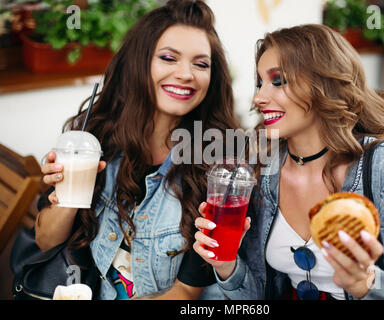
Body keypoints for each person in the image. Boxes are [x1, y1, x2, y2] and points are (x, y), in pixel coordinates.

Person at [193, 24, 384, 300]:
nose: (259, 98)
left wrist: (367, 284)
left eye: (278, 81)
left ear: (324, 84)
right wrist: (227, 266)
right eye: (260, 83)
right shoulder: (261, 169)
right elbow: (254, 297)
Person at [35, 0, 237, 300]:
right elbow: (46, 241)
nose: (186, 74)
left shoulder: (215, 165)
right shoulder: (97, 137)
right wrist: (70, 191)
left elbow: (186, 291)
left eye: (201, 63)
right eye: (169, 58)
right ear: (139, 62)